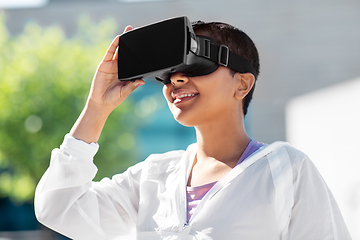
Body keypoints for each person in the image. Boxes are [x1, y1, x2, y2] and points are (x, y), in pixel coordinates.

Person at [34, 20, 352, 240]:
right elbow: (59, 208)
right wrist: (96, 108)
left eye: (197, 64)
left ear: (242, 83)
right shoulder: (153, 177)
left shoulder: (285, 169)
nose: (177, 80)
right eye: (168, 74)